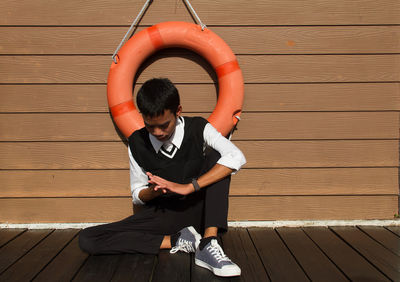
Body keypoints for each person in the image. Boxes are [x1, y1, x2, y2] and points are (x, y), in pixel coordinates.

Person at [79, 78, 246, 277]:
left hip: (199, 209)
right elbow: (136, 194)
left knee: (219, 158)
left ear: (178, 111)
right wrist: (153, 191)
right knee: (88, 238)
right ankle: (177, 240)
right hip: (164, 214)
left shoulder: (198, 127)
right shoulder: (137, 142)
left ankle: (209, 241)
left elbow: (236, 156)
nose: (158, 132)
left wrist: (188, 187)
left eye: (164, 125)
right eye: (150, 126)